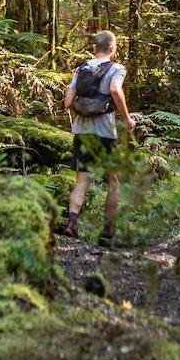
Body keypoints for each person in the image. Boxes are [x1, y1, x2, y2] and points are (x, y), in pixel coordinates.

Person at [57, 30, 134, 243]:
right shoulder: (117, 68)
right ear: (113, 48)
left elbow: (67, 102)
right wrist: (127, 118)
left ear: (94, 47)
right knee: (114, 181)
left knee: (82, 181)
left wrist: (83, 110)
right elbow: (115, 90)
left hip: (82, 132)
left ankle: (71, 224)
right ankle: (108, 232)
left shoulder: (81, 68)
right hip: (105, 134)